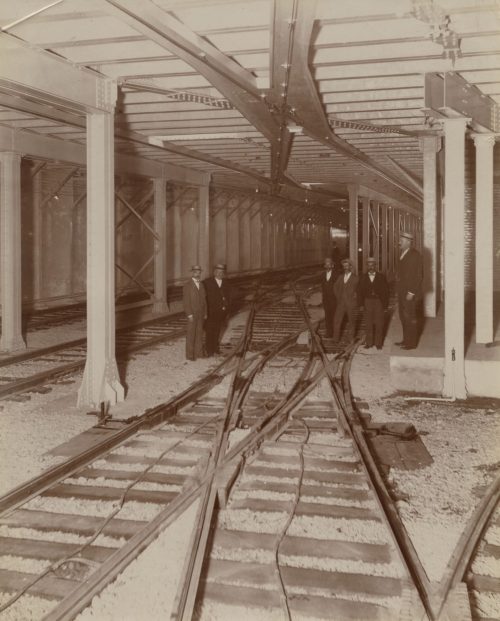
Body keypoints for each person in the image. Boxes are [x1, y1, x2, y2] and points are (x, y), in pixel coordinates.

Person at [396, 231, 423, 350]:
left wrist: (411, 292)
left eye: (401, 241)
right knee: (403, 316)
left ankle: (411, 344)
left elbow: (418, 275)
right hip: (402, 291)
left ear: (408, 242)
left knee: (410, 317)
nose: (398, 243)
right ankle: (405, 340)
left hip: (409, 293)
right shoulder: (403, 253)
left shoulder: (414, 254)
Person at [357, 257, 389, 350]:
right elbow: (359, 292)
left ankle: (378, 343)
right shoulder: (362, 277)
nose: (370, 266)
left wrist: (385, 305)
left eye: (372, 265)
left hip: (378, 302)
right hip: (367, 302)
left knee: (379, 323)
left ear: (375, 265)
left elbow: (386, 292)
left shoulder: (381, 277)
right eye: (369, 265)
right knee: (368, 323)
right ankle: (369, 343)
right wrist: (361, 305)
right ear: (367, 266)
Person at [203, 263, 231, 356]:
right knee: (209, 331)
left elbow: (229, 297)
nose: (219, 274)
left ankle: (215, 349)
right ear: (214, 272)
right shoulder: (207, 283)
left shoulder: (226, 283)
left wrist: (226, 308)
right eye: (218, 272)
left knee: (217, 330)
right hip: (210, 312)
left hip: (220, 312)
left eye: (221, 272)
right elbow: (204, 298)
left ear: (224, 273)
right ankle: (209, 350)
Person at [182, 265, 207, 361]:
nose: (197, 273)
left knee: (199, 334)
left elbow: (204, 300)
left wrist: (205, 313)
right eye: (195, 272)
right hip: (192, 314)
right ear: (192, 272)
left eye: (199, 272)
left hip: (201, 314)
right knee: (191, 335)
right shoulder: (187, 285)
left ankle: (199, 353)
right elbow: (186, 301)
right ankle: (190, 355)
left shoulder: (201, 284)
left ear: (200, 273)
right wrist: (189, 314)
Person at [333, 258, 358, 343]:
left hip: (351, 304)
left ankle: (350, 338)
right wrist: (338, 297)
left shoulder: (356, 278)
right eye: (344, 266)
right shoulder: (340, 277)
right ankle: (335, 338)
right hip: (341, 303)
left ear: (350, 267)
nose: (345, 268)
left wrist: (355, 297)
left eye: (347, 266)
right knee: (337, 320)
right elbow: (335, 287)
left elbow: (359, 290)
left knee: (352, 321)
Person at [321, 257, 336, 338]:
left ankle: (335, 333)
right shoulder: (323, 275)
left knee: (334, 316)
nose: (327, 266)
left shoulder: (336, 275)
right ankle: (329, 333)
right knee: (327, 316)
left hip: (334, 299)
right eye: (326, 264)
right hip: (326, 300)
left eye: (329, 264)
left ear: (332, 265)